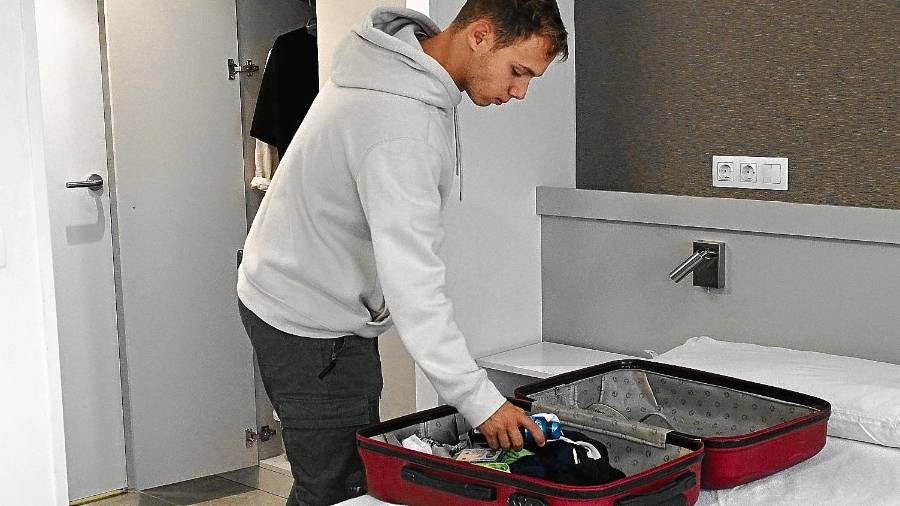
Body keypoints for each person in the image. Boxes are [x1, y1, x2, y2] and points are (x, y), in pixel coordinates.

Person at [237, 1, 569, 504]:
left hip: (323, 301)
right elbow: (414, 286)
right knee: (335, 487)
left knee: (349, 472)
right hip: (305, 317)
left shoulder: (407, 79)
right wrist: (481, 403)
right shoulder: (400, 124)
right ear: (480, 35)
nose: (520, 92)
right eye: (518, 72)